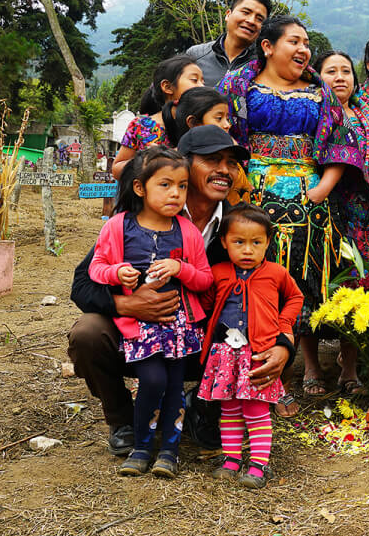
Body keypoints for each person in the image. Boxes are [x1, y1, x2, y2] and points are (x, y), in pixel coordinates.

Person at [69, 126, 288, 454]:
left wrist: (285, 344)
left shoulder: (241, 228)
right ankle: (122, 420)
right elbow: (82, 284)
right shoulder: (133, 220)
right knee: (87, 333)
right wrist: (127, 306)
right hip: (140, 336)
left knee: (255, 336)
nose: (224, 171)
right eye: (213, 160)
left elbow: (276, 292)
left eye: (231, 163)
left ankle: (206, 408)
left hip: (209, 342)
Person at [221, 17, 363, 407]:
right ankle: (252, 381)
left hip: (310, 207)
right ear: (268, 47)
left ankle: (292, 370)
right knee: (252, 286)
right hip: (250, 203)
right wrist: (238, 190)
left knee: (301, 285)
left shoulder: (321, 91)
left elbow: (341, 144)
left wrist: (322, 189)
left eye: (306, 43)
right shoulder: (238, 86)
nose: (303, 50)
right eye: (294, 42)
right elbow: (223, 137)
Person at [87, 147, 214, 477]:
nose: (176, 193)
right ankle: (142, 446)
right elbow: (95, 269)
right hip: (139, 326)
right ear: (140, 188)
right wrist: (116, 274)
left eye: (183, 186)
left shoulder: (187, 232)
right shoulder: (117, 227)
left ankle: (169, 452)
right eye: (166, 185)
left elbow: (204, 279)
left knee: (172, 385)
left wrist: (181, 268)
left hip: (179, 326)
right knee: (152, 378)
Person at [197, 204, 302, 489]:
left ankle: (258, 464)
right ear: (224, 242)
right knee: (229, 409)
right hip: (224, 355)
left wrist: (283, 328)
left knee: (256, 409)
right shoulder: (217, 273)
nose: (247, 250)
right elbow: (205, 305)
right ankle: (231, 460)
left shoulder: (277, 273)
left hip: (258, 354)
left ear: (268, 242)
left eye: (256, 242)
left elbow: (295, 298)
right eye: (238, 242)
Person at [309, 49, 369, 392]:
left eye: (346, 71)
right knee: (311, 284)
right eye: (331, 71)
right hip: (317, 208)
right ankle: (311, 367)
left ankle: (349, 366)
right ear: (317, 76)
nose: (340, 77)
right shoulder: (310, 111)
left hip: (360, 215)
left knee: (354, 285)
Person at [111, 55, 204, 178]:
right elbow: (117, 169)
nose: (202, 86)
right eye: (194, 80)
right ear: (167, 87)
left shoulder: (204, 124)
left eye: (203, 81)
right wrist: (146, 161)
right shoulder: (141, 126)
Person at [173, 87, 251, 205]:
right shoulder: (169, 165)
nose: (227, 125)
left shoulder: (237, 173)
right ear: (193, 123)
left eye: (231, 163)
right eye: (219, 118)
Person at [186, 0, 272, 89]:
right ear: (228, 14)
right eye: (246, 12)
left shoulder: (266, 64)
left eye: (259, 19)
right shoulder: (196, 55)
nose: (251, 21)